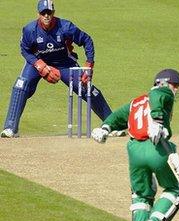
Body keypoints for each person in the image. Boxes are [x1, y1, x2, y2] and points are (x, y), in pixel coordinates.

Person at [91, 69, 179, 221]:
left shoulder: (136, 102)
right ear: (163, 83)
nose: (175, 90)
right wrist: (158, 121)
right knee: (175, 191)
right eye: (174, 85)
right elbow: (158, 94)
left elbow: (118, 116)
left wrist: (105, 128)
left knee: (141, 194)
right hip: (157, 148)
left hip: (134, 150)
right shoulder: (162, 92)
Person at [1, 0, 113, 138]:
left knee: (86, 87)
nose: (46, 16)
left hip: (64, 62)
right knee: (20, 85)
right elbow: (25, 50)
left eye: (49, 13)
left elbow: (87, 40)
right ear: (38, 14)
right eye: (43, 13)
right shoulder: (30, 30)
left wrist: (89, 66)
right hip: (38, 62)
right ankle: (10, 128)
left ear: (53, 13)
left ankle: (112, 124)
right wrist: (39, 64)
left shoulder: (66, 27)